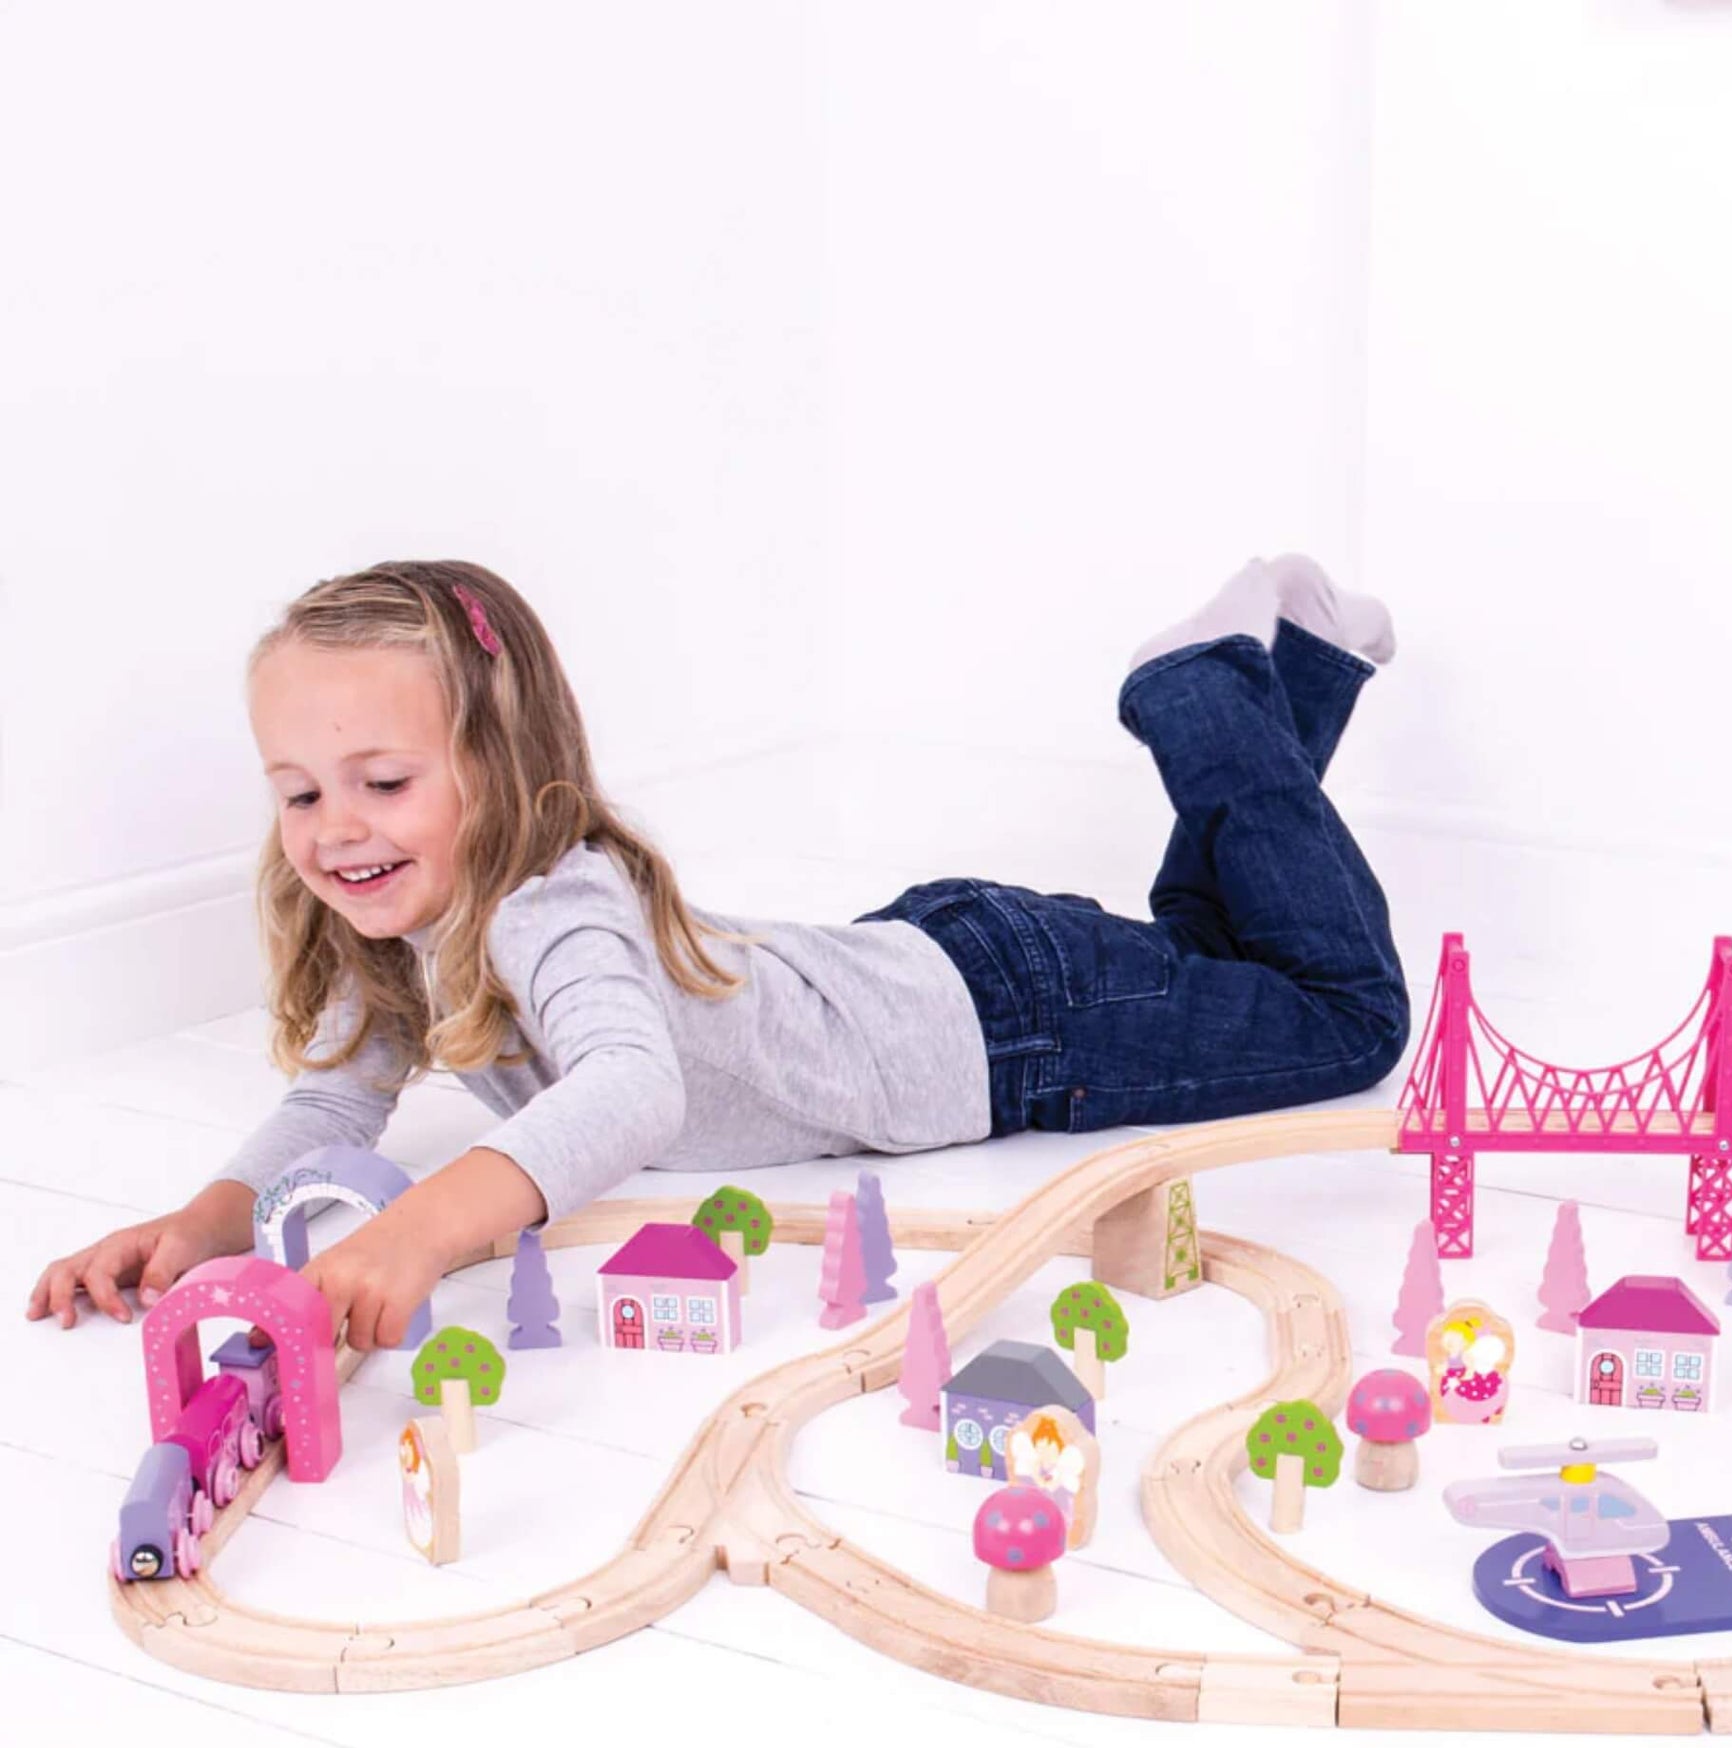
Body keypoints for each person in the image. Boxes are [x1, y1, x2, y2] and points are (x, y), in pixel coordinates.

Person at [27, 554, 1408, 1349]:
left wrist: (419, 1231)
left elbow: (634, 1090)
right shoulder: (398, 919)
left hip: (1014, 1031)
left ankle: (1201, 693)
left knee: (1342, 1018)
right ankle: (1286, 674)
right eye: (299, 792)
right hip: (943, 975)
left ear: (498, 763)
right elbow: (333, 1105)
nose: (335, 829)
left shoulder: (546, 902)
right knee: (1220, 954)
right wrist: (199, 1228)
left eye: (382, 781)